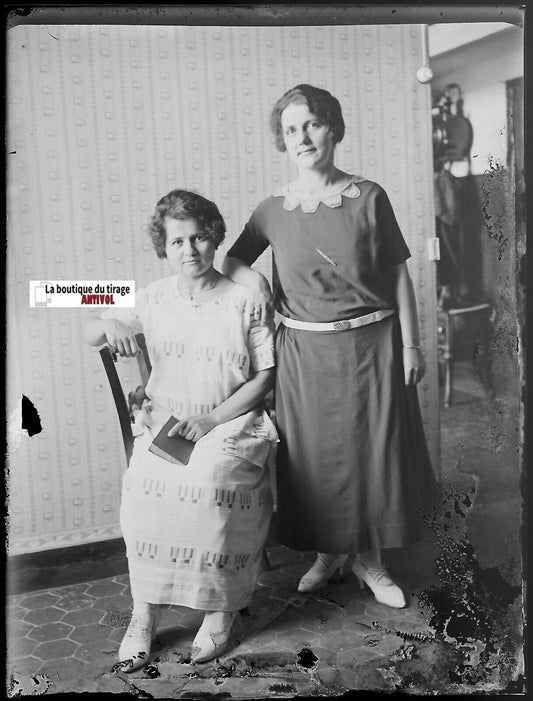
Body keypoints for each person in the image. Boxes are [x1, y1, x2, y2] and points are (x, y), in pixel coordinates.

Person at [222, 84, 435, 609]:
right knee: (315, 461)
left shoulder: (370, 197)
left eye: (312, 124)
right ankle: (328, 554)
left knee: (373, 457)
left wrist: (411, 345)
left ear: (334, 129)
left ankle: (370, 560)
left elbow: (397, 275)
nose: (303, 137)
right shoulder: (272, 209)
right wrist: (260, 286)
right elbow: (230, 263)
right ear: (282, 141)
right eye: (291, 129)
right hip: (304, 356)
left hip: (375, 348)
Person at [84, 189, 277, 669]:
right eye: (176, 242)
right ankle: (144, 615)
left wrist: (212, 419)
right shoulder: (151, 295)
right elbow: (89, 331)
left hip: (231, 420)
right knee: (144, 492)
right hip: (168, 424)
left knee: (211, 483)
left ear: (214, 238)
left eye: (198, 238)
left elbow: (265, 375)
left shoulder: (246, 293)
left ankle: (218, 611)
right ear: (163, 248)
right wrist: (111, 322)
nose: (189, 251)